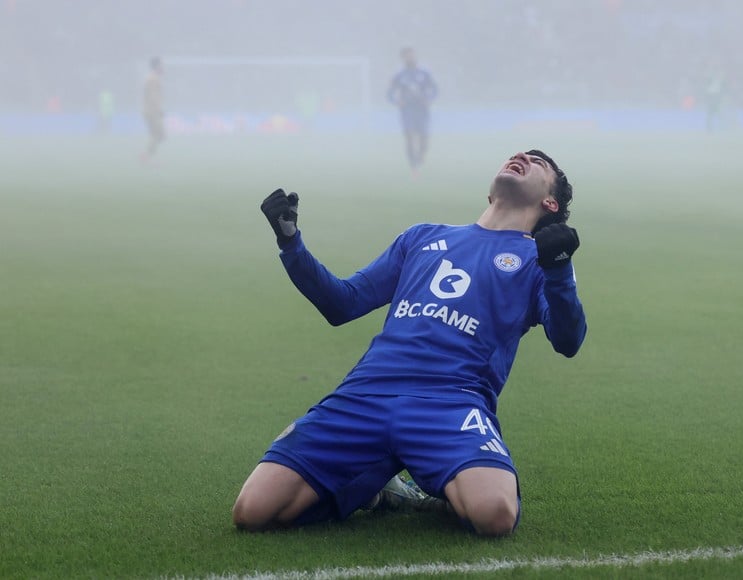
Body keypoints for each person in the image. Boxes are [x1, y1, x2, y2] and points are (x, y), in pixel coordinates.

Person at [232, 149, 588, 536]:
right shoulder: (423, 237)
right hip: (366, 394)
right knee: (252, 511)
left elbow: (567, 339)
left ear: (550, 202)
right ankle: (378, 488)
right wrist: (291, 243)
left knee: (495, 514)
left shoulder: (540, 260)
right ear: (490, 194)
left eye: (538, 161)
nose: (521, 156)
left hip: (451, 402)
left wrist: (558, 270)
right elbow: (342, 303)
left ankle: (438, 478)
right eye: (518, 154)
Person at [387, 47, 437, 174]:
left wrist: (429, 99)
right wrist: (397, 102)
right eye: (407, 56)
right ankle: (413, 165)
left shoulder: (424, 73)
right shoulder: (399, 75)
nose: (410, 57)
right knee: (409, 136)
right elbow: (389, 93)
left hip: (422, 109)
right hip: (407, 110)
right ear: (403, 58)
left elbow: (435, 89)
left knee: (424, 137)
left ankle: (420, 157)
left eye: (412, 55)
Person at [141, 57, 165, 162]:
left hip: (150, 110)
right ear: (157, 66)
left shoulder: (152, 78)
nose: (163, 67)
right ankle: (146, 156)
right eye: (161, 65)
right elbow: (153, 96)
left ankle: (148, 156)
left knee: (158, 135)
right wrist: (159, 109)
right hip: (152, 111)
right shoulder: (153, 79)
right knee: (159, 134)